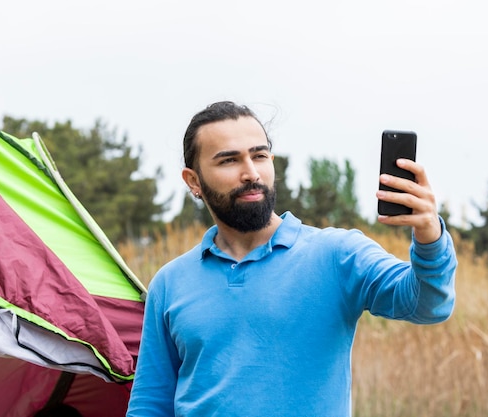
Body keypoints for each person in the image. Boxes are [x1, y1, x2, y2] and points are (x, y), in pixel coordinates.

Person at [126, 101, 457, 417]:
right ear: (193, 181)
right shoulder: (169, 283)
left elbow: (428, 305)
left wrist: (429, 234)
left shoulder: (338, 255)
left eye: (260, 155)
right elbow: (150, 405)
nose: (251, 173)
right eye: (229, 160)